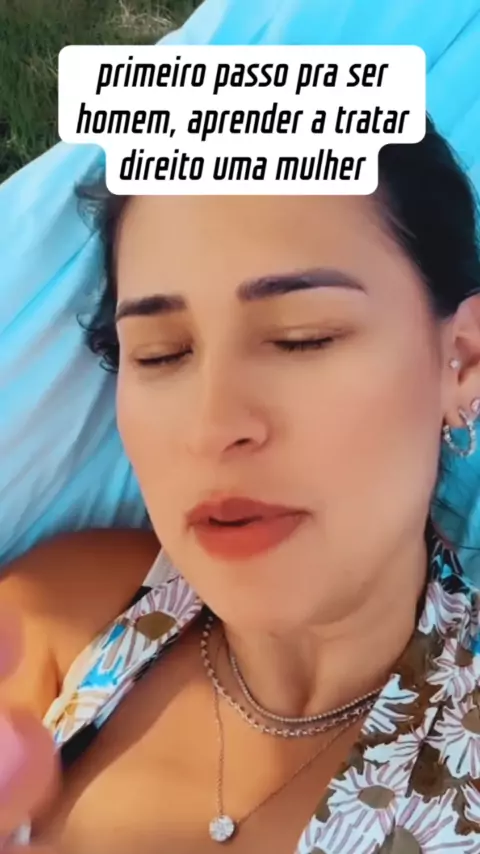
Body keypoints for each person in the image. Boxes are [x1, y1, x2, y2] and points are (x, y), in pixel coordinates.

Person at [1, 115, 480, 853]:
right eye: (160, 354)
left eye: (301, 338)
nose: (211, 427)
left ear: (463, 359)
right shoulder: (63, 620)